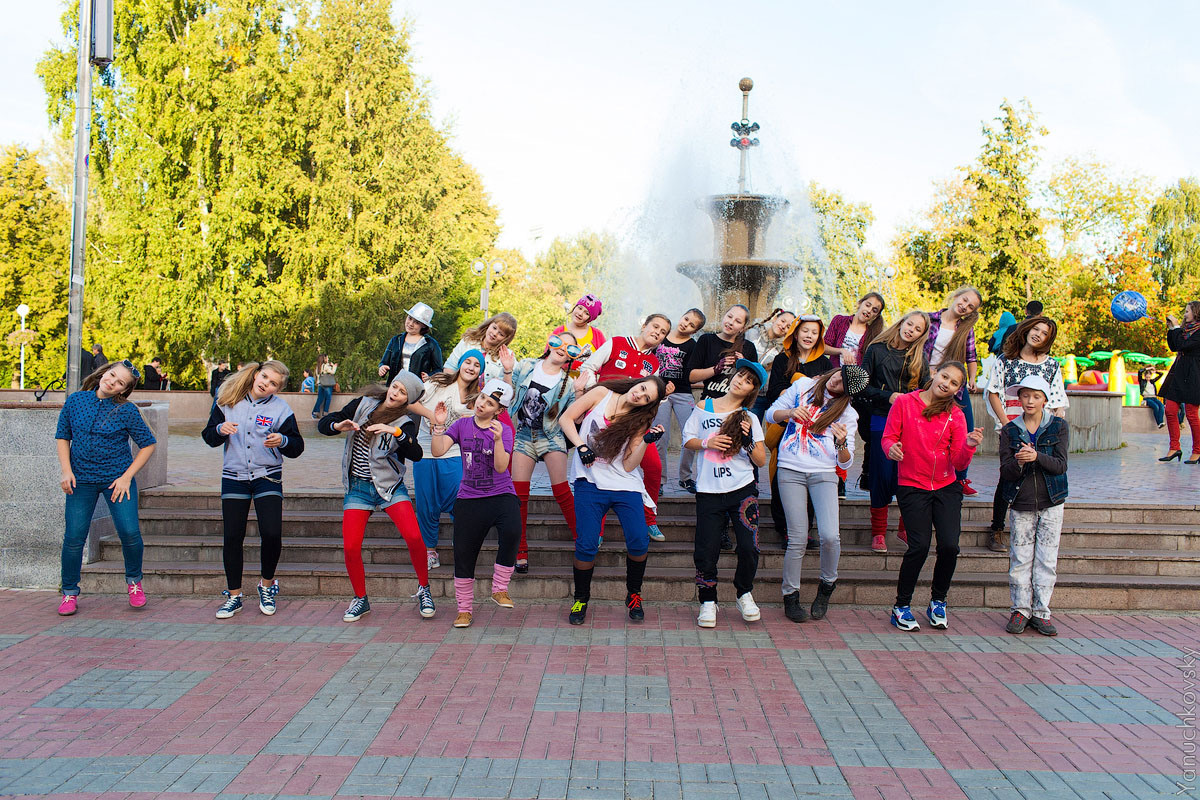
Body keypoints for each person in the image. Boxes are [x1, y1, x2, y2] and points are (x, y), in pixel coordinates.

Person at [318, 371, 434, 622]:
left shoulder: (404, 422)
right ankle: (361, 599)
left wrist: (394, 432)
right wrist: (339, 425)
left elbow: (416, 453)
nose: (395, 393)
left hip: (389, 488)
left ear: (407, 400)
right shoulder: (363, 404)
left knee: (414, 536)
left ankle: (424, 589)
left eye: (402, 392)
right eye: (395, 387)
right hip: (358, 488)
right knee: (350, 546)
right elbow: (326, 423)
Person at [884, 361, 984, 633]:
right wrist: (892, 448)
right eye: (945, 377)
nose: (947, 384)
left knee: (950, 546)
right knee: (919, 546)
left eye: (954, 383)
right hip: (912, 485)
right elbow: (888, 437)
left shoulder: (956, 415)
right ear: (934, 374)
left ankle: (938, 601)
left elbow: (958, 460)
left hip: (946, 486)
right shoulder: (905, 403)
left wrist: (969, 446)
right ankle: (901, 606)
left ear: (957, 390)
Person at [202, 360, 305, 619]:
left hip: (267, 477)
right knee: (233, 537)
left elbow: (297, 446)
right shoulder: (228, 399)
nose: (266, 384)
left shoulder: (281, 409)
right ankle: (234, 596)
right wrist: (219, 429)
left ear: (277, 389)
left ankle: (267, 585)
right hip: (234, 476)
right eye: (265, 378)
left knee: (271, 533)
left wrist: (282, 440)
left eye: (273, 384)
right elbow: (208, 437)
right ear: (257, 374)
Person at [560, 377, 667, 625]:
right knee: (586, 545)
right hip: (589, 482)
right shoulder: (601, 393)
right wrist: (580, 446)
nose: (640, 395)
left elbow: (629, 465)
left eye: (647, 397)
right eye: (642, 388)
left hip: (623, 484)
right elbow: (566, 418)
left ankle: (634, 594)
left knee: (639, 540)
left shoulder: (640, 420)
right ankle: (581, 598)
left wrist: (646, 443)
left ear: (648, 405)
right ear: (636, 383)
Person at [54, 359, 157, 615]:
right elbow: (63, 436)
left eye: (120, 382)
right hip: (81, 480)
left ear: (123, 390)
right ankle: (69, 593)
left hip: (117, 481)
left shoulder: (127, 410)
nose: (112, 382)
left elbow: (148, 444)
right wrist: (66, 471)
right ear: (104, 373)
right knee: (74, 537)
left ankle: (134, 583)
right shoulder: (76, 401)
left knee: (130, 532)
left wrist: (126, 477)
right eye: (112, 375)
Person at [767, 365, 867, 624]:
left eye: (842, 382)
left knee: (830, 536)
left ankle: (827, 585)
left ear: (849, 392)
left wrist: (842, 442)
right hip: (790, 469)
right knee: (798, 537)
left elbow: (845, 463)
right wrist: (789, 412)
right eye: (837, 374)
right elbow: (769, 414)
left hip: (823, 474)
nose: (835, 381)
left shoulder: (847, 413)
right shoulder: (802, 388)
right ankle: (790, 595)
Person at [684, 360, 769, 628]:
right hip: (709, 490)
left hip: (742, 489)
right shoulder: (703, 406)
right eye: (739, 376)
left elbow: (761, 460)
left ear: (751, 391)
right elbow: (688, 440)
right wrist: (708, 441)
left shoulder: (749, 418)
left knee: (749, 546)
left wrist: (747, 441)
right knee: (706, 549)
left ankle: (744, 593)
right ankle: (708, 600)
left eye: (747, 381)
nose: (739, 381)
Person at [430, 378, 521, 629]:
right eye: (482, 398)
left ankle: (499, 588)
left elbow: (502, 467)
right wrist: (439, 427)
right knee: (464, 554)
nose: (482, 404)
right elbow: (438, 451)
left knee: (513, 531)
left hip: (501, 494)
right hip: (469, 498)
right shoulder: (461, 425)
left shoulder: (503, 430)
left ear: (499, 410)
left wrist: (499, 440)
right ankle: (464, 610)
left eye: (490, 403)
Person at [577, 314, 673, 541]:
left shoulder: (655, 363)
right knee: (598, 470)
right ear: (644, 325)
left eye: (662, 332)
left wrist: (664, 396)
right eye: (655, 327)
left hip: (632, 425)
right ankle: (596, 532)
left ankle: (649, 518)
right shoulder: (616, 343)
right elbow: (588, 367)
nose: (657, 333)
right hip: (605, 420)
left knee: (654, 467)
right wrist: (601, 391)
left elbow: (651, 398)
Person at [983, 316, 1068, 551]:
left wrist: (1054, 428)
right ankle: (997, 528)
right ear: (1027, 329)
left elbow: (1058, 400)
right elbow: (993, 392)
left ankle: (1040, 525)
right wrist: (1005, 426)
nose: (1038, 334)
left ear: (1049, 340)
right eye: (1036, 329)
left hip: (1042, 430)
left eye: (1045, 333)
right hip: (1013, 425)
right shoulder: (1006, 359)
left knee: (1040, 471)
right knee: (1008, 475)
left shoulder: (1051, 365)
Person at [998, 375, 1068, 637]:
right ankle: (1020, 610)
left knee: (1047, 560)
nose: (1030, 401)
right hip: (1021, 501)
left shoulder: (1058, 426)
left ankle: (1041, 612)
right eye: (1026, 395)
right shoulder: (1010, 430)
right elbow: (1005, 471)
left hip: (1052, 501)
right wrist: (1019, 461)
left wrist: (1037, 456)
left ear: (1045, 400)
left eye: (1036, 396)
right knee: (1020, 558)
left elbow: (1061, 465)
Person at [860, 311, 931, 553]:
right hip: (881, 416)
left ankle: (904, 527)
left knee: (909, 472)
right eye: (909, 323)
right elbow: (862, 387)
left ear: (921, 335)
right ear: (901, 323)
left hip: (911, 421)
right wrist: (888, 396)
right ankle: (879, 532)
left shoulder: (920, 357)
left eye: (917, 328)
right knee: (882, 472)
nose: (911, 329)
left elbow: (927, 389)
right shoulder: (876, 349)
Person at [511, 332, 579, 572]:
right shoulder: (527, 365)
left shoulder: (568, 382)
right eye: (561, 342)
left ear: (572, 356)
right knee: (518, 494)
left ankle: (582, 540)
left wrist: (581, 392)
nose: (564, 348)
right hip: (522, 435)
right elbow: (507, 395)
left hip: (550, 436)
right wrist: (509, 371)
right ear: (550, 343)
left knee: (561, 490)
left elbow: (574, 417)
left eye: (571, 348)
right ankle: (520, 549)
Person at [762, 314, 831, 546]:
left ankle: (806, 530)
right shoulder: (783, 359)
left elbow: (830, 394)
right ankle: (785, 529)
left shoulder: (825, 363)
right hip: (785, 425)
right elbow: (774, 392)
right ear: (795, 332)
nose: (809, 335)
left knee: (810, 477)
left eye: (814, 332)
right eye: (805, 331)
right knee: (782, 476)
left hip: (814, 429)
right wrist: (802, 387)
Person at [412, 351, 483, 569]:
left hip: (452, 454)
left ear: (481, 372)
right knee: (427, 502)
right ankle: (429, 550)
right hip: (424, 450)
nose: (471, 367)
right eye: (468, 362)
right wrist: (433, 417)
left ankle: (460, 543)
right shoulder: (438, 382)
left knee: (459, 500)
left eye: (477, 365)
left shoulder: (476, 398)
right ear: (461, 363)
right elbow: (411, 403)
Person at [923, 286, 982, 494]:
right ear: (956, 296)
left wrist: (972, 378)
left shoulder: (965, 329)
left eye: (970, 306)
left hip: (954, 384)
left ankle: (961, 478)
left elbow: (971, 356)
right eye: (964, 300)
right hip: (926, 381)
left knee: (965, 427)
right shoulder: (929, 319)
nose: (964, 306)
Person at [654, 308, 706, 493]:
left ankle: (685, 477)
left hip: (683, 393)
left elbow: (692, 371)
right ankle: (659, 480)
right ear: (681, 316)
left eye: (692, 324)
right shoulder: (662, 336)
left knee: (691, 435)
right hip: (660, 393)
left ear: (695, 330)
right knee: (660, 437)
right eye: (686, 319)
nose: (686, 324)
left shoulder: (693, 345)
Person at [686, 304, 760, 402]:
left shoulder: (749, 347)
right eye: (729, 316)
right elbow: (691, 377)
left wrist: (744, 366)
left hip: (735, 406)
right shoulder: (706, 340)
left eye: (738, 321)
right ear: (724, 316)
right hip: (709, 402)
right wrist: (716, 369)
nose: (731, 322)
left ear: (743, 327)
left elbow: (755, 382)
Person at [1159, 301, 1200, 464]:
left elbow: (1183, 345)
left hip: (1194, 374)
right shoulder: (1184, 330)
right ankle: (1174, 447)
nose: (1185, 314)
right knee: (1169, 409)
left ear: (1196, 312)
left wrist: (1176, 328)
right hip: (1178, 372)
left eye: (1187, 311)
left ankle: (1197, 450)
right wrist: (1172, 329)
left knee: (1191, 413)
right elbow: (1174, 346)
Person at [444, 312, 518, 383]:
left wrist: (508, 370)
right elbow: (450, 368)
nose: (495, 334)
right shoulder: (468, 342)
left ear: (506, 339)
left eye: (501, 334)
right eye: (494, 328)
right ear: (489, 324)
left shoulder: (508, 356)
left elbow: (512, 388)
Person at [378, 301, 443, 382]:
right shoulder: (395, 340)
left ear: (423, 325)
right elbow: (384, 362)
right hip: (394, 386)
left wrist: (429, 376)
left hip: (417, 389)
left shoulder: (431, 344)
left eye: (416, 322)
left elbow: (439, 370)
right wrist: (382, 368)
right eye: (410, 318)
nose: (411, 324)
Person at [749, 308, 797, 418]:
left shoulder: (787, 348)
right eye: (782, 321)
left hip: (763, 395)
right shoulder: (752, 333)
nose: (783, 326)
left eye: (789, 327)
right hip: (746, 389)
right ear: (775, 318)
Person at [824, 292, 886, 368]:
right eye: (867, 305)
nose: (869, 310)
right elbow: (823, 348)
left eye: (874, 310)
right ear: (860, 303)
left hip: (855, 377)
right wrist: (841, 351)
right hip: (832, 372)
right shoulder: (839, 321)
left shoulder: (872, 335)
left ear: (875, 316)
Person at [554, 294, 606, 375]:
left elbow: (605, 365)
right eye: (580, 308)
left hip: (587, 386)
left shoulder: (597, 335)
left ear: (590, 318)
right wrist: (569, 365)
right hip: (558, 383)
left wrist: (588, 367)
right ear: (575, 307)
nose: (580, 313)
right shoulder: (559, 331)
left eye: (586, 313)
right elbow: (547, 358)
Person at [313, 354, 338, 419]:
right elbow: (332, 372)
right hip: (327, 384)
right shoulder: (326, 366)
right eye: (327, 358)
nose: (328, 359)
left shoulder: (317, 367)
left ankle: (315, 412)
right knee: (328, 398)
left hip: (320, 384)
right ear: (324, 359)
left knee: (320, 398)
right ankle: (325, 412)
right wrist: (334, 366)